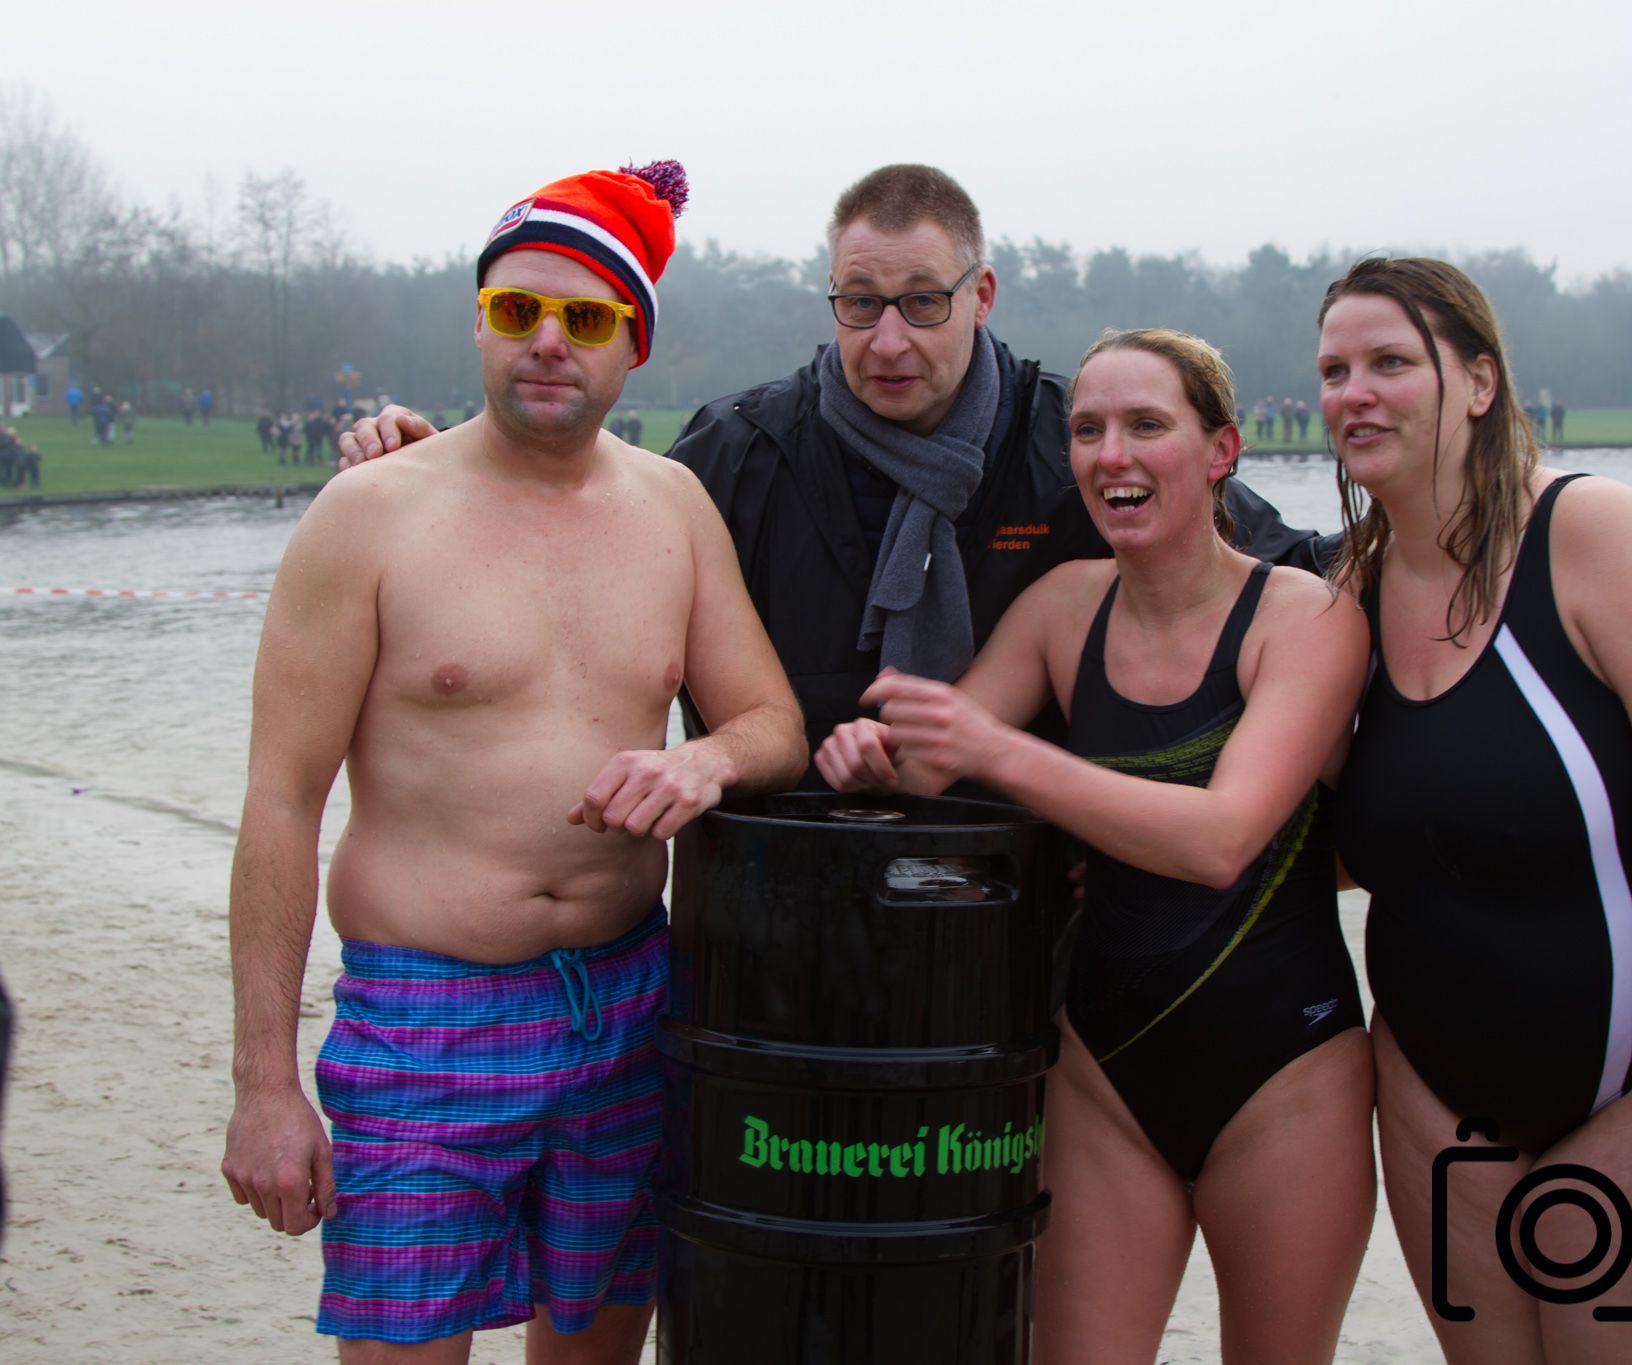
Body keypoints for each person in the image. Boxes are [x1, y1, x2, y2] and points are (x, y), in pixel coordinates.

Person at [220, 162, 806, 1361]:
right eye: (515, 311)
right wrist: (265, 1088)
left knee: (597, 1346)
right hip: (426, 1014)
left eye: (584, 318)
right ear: (479, 324)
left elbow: (771, 726)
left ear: (631, 347)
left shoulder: (674, 508)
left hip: (630, 1001)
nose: (547, 340)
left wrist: (705, 766)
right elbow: (282, 803)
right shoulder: (370, 514)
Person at [339, 165, 1319, 773]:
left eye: (921, 303)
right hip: (775, 915)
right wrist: (445, 470)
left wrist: (1449, 546)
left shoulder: (1078, 441)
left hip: (1028, 916)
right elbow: (575, 525)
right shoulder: (735, 453)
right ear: (830, 301)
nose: (887, 339)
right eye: (859, 303)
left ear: (980, 295)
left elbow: (1279, 573)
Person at [816, 327, 1375, 1365]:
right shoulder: (1062, 607)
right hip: (1102, 1071)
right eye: (1086, 430)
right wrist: (870, 758)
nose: (1109, 454)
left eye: (1145, 426)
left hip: (1285, 1075)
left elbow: (1221, 841)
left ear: (1220, 452)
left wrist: (995, 751)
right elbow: (931, 762)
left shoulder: (1299, 617)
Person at [1316, 256, 1632, 1365]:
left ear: (1478, 383)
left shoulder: (1591, 538)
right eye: (1333, 369)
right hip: (1433, 1097)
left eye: (1389, 362)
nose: (1353, 392)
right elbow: (1350, 846)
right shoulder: (1345, 596)